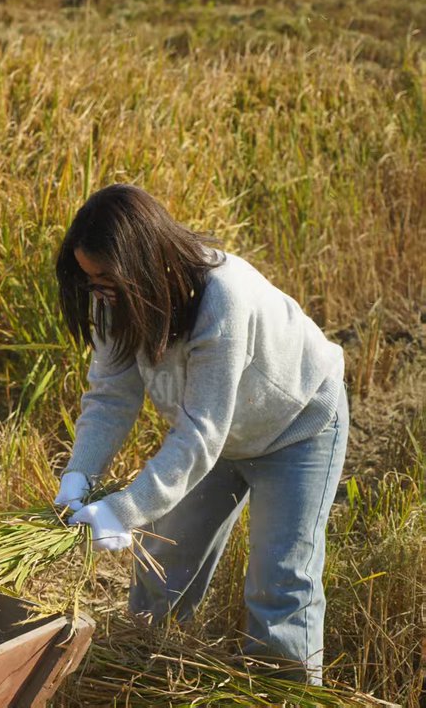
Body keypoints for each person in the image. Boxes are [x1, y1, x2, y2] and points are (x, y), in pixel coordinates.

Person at [52, 183, 348, 683]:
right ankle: (145, 680)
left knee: (279, 586)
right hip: (218, 436)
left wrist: (122, 509)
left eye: (105, 279)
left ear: (141, 265)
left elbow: (199, 434)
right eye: (88, 281)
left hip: (295, 428)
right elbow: (110, 398)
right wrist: (79, 475)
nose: (96, 293)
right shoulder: (112, 299)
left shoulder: (222, 299)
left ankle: (284, 693)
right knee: (162, 567)